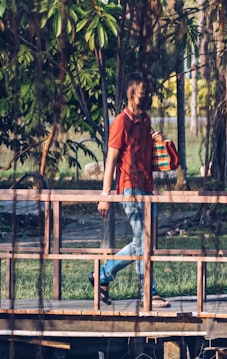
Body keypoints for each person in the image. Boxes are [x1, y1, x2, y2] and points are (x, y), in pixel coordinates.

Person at [90, 73, 170, 308]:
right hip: (129, 187)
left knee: (148, 242)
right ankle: (149, 292)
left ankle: (102, 276)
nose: (146, 98)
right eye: (142, 94)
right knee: (142, 241)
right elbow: (111, 160)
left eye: (149, 94)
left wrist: (158, 139)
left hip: (147, 187)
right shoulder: (120, 122)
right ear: (131, 95)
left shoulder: (144, 121)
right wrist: (105, 196)